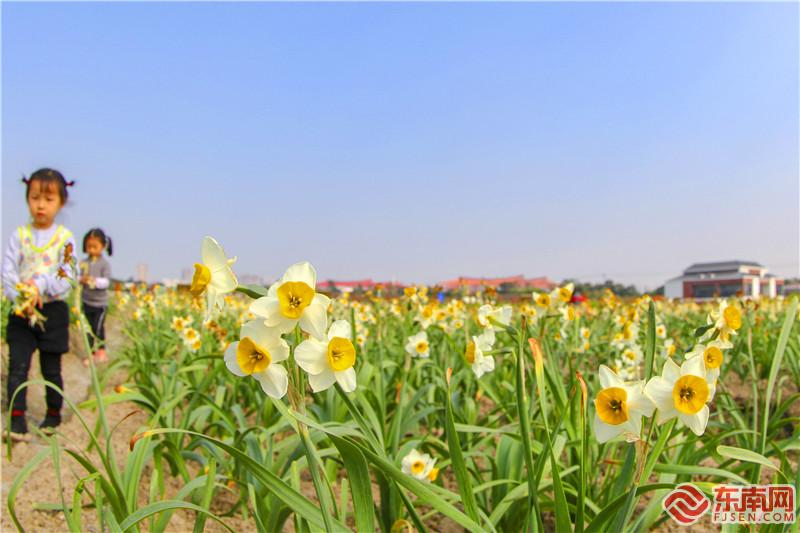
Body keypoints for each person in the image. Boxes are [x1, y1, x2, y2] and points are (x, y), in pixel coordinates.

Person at [2, 169, 77, 440]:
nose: (41, 205)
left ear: (61, 203)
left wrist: (40, 286)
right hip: (22, 310)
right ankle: (17, 420)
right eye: (35, 197)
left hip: (52, 311)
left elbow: (66, 276)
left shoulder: (64, 238)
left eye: (48, 199)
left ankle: (53, 416)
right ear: (27, 199)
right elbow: (8, 271)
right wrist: (19, 296)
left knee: (51, 369)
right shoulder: (19, 235)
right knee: (18, 366)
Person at [80, 228, 112, 364]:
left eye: (95, 247)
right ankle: (91, 354)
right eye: (89, 247)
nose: (92, 250)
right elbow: (77, 277)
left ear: (103, 247)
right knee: (88, 329)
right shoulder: (83, 263)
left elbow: (106, 282)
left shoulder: (104, 264)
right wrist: (81, 279)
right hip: (86, 301)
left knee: (98, 329)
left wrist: (93, 281)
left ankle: (102, 351)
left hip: (100, 304)